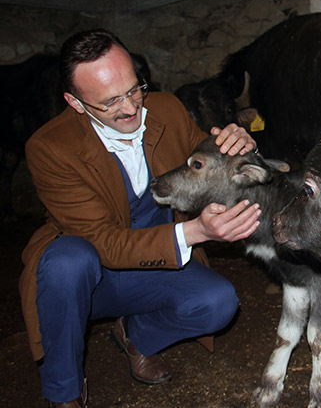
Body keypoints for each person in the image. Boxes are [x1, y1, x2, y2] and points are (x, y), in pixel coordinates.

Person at [18, 29, 261, 407]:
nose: (131, 108)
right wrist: (196, 231)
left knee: (218, 303)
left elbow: (210, 156)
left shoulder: (165, 108)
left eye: (134, 89)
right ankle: (64, 391)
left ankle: (136, 335)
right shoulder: (50, 148)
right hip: (93, 276)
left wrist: (238, 144)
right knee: (68, 260)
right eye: (110, 101)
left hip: (157, 265)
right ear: (76, 102)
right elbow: (104, 243)